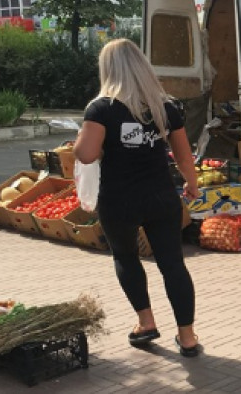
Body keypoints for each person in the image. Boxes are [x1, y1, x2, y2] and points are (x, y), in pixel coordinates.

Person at [73, 39, 202, 357]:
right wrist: (193, 186)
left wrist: (83, 137)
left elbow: (86, 155)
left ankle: (146, 323)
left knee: (126, 257)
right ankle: (187, 337)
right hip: (161, 196)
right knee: (173, 264)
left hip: (119, 200)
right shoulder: (165, 106)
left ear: (108, 69)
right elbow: (184, 157)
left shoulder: (101, 109)